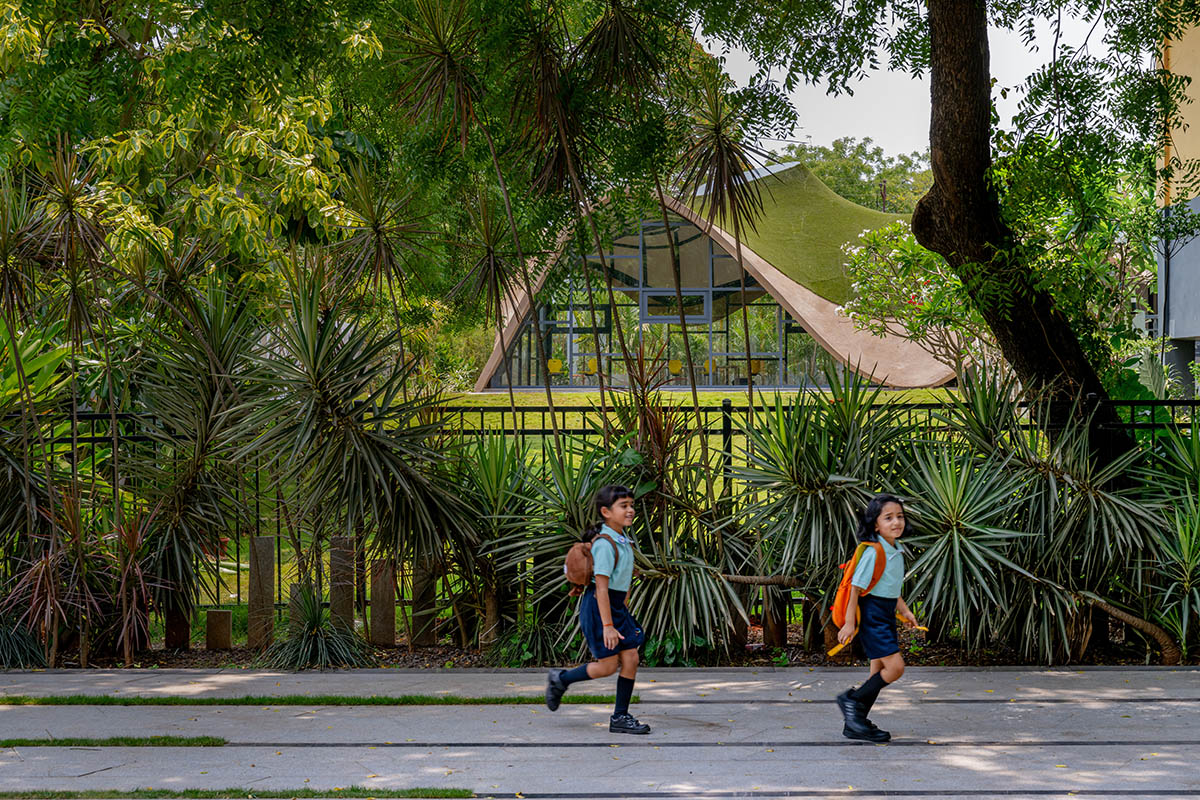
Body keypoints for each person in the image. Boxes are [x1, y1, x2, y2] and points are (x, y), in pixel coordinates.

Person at [545, 485, 650, 734]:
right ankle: (561, 680)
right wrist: (608, 626)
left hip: (615, 606)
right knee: (606, 666)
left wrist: (622, 609)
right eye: (623, 506)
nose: (630, 510)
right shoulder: (604, 545)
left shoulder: (622, 540)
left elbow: (621, 581)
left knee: (631, 657)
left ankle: (620, 717)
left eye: (631, 505)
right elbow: (601, 588)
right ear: (606, 511)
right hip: (599, 608)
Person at [835, 493, 918, 742]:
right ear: (875, 524)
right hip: (872, 615)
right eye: (889, 518)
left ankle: (856, 723)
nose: (896, 523)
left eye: (900, 517)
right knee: (895, 668)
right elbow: (855, 590)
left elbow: (891, 588)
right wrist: (850, 623)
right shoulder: (873, 551)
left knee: (878, 671)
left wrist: (904, 611)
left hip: (885, 613)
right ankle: (851, 700)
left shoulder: (895, 549)